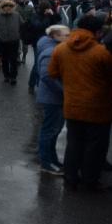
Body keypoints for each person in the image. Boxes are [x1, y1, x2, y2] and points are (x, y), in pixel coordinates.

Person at [48, 12, 112, 192]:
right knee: (94, 146)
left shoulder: (61, 49)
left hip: (72, 105)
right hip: (98, 107)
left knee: (74, 143)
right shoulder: (101, 52)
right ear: (97, 32)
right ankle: (90, 180)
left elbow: (52, 73)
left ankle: (71, 178)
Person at [35, 25, 70, 175]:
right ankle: (46, 162)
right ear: (55, 35)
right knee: (50, 130)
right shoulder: (51, 51)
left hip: (55, 97)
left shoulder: (55, 48)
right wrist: (64, 91)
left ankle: (52, 159)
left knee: (54, 130)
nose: (69, 38)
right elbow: (46, 76)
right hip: (52, 98)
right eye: (66, 35)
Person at [0, 0, 24, 85]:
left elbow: (22, 25)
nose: (7, 8)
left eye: (10, 6)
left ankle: (13, 77)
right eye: (5, 6)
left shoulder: (16, 15)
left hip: (14, 40)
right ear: (2, 7)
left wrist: (18, 34)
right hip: (2, 41)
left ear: (12, 7)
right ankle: (6, 75)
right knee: (4, 59)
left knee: (13, 59)